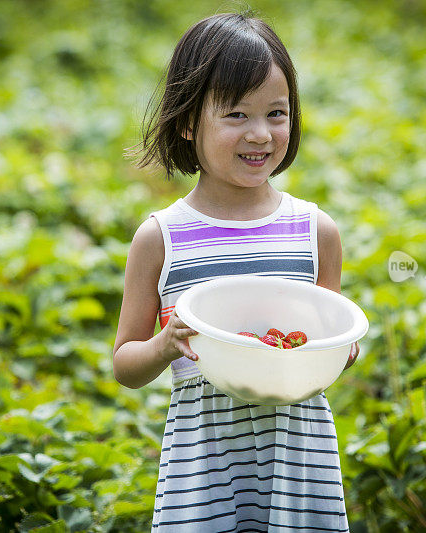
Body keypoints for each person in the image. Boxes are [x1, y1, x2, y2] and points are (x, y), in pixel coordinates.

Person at [113, 11, 360, 532]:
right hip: (204, 469)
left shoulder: (316, 232)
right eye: (236, 115)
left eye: (276, 113)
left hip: (298, 464)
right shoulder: (161, 238)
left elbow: (323, 344)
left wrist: (339, 350)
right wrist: (164, 343)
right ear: (186, 120)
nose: (261, 134)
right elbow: (125, 364)